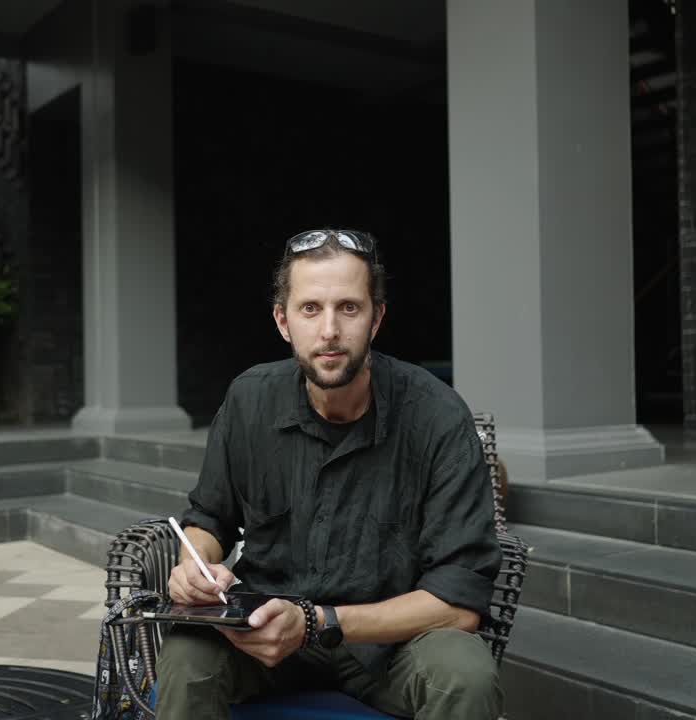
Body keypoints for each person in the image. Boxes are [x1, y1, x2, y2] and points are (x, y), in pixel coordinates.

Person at [155, 229, 503, 719]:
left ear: (376, 318)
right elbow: (209, 517)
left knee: (465, 673)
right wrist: (196, 565)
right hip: (265, 632)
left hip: (392, 645)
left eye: (349, 308)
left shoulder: (438, 416)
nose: (330, 330)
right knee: (188, 655)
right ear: (283, 321)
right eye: (310, 309)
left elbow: (460, 602)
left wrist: (317, 621)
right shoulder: (249, 400)